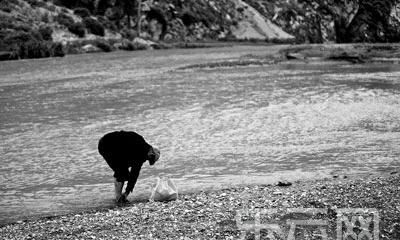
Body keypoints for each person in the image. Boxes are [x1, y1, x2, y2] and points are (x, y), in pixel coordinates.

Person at [98, 130, 160, 203]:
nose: (147, 160)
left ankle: (119, 197)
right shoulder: (141, 149)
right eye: (150, 158)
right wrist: (127, 192)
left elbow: (134, 174)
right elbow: (134, 173)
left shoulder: (143, 151)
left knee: (122, 172)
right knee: (122, 172)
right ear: (151, 152)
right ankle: (118, 197)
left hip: (114, 147)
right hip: (107, 145)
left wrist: (127, 192)